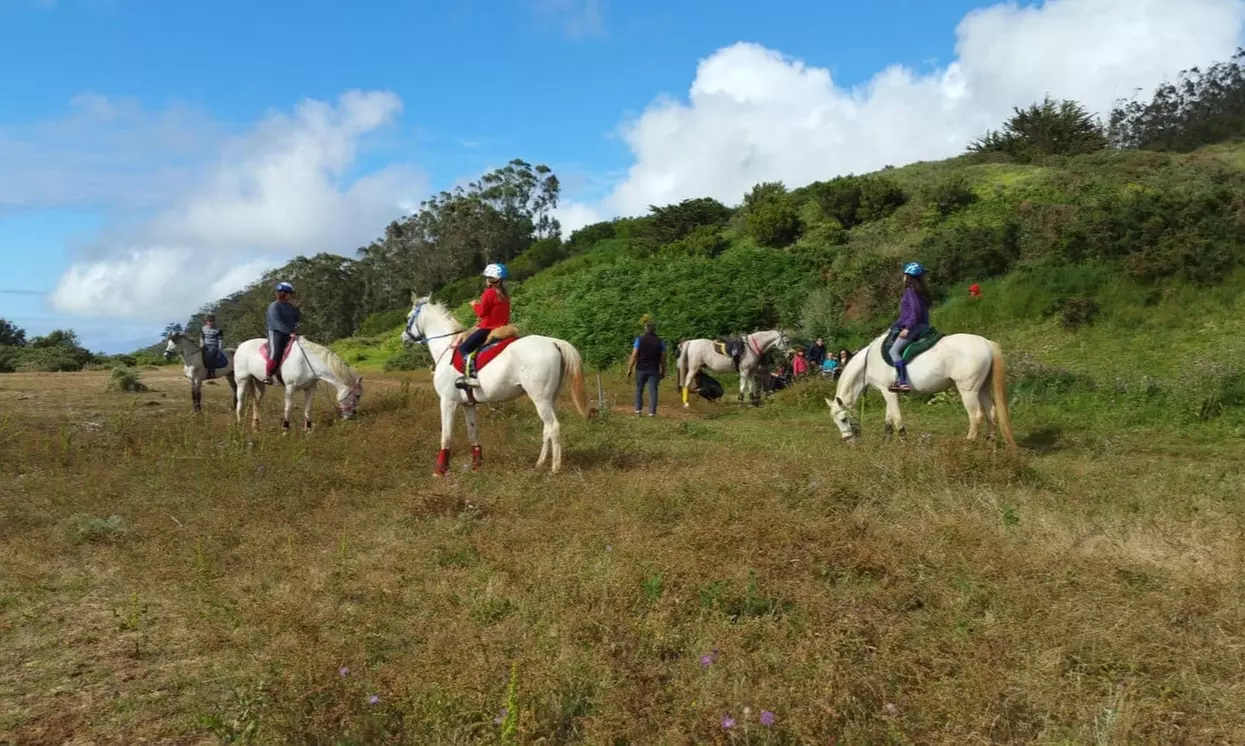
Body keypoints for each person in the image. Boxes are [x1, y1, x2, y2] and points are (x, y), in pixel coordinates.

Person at [457, 263, 511, 389]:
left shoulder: (489, 293)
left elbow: (481, 312)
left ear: (490, 279)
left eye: (487, 277)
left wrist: (474, 304)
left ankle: (472, 377)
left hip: (488, 329)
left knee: (464, 348)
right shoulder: (505, 294)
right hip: (503, 328)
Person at [889, 262, 932, 392]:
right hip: (924, 326)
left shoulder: (910, 291)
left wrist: (907, 327)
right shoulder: (922, 292)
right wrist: (894, 326)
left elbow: (915, 312)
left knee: (893, 351)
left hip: (914, 327)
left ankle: (902, 382)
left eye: (904, 274)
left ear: (908, 277)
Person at [264, 281, 301, 386]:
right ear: (283, 293)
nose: (291, 296)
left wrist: (297, 309)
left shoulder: (289, 306)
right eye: (289, 293)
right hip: (276, 333)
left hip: (290, 333)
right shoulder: (274, 306)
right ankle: (268, 375)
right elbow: (277, 322)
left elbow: (296, 319)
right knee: (275, 353)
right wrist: (289, 332)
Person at [627, 321, 666, 416]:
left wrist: (630, 368)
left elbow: (634, 355)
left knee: (639, 389)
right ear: (654, 330)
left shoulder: (639, 340)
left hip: (641, 368)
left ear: (645, 329)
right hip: (654, 369)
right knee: (653, 391)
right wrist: (663, 370)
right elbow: (663, 357)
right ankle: (652, 413)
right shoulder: (660, 341)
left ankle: (638, 411)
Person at [200, 313, 224, 380]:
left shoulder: (218, 330)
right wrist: (201, 346)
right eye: (209, 321)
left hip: (214, 346)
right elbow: (202, 338)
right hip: (205, 345)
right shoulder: (203, 329)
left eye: (211, 321)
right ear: (206, 321)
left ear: (214, 321)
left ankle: (211, 372)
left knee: (210, 354)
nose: (210, 323)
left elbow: (220, 340)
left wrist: (219, 350)